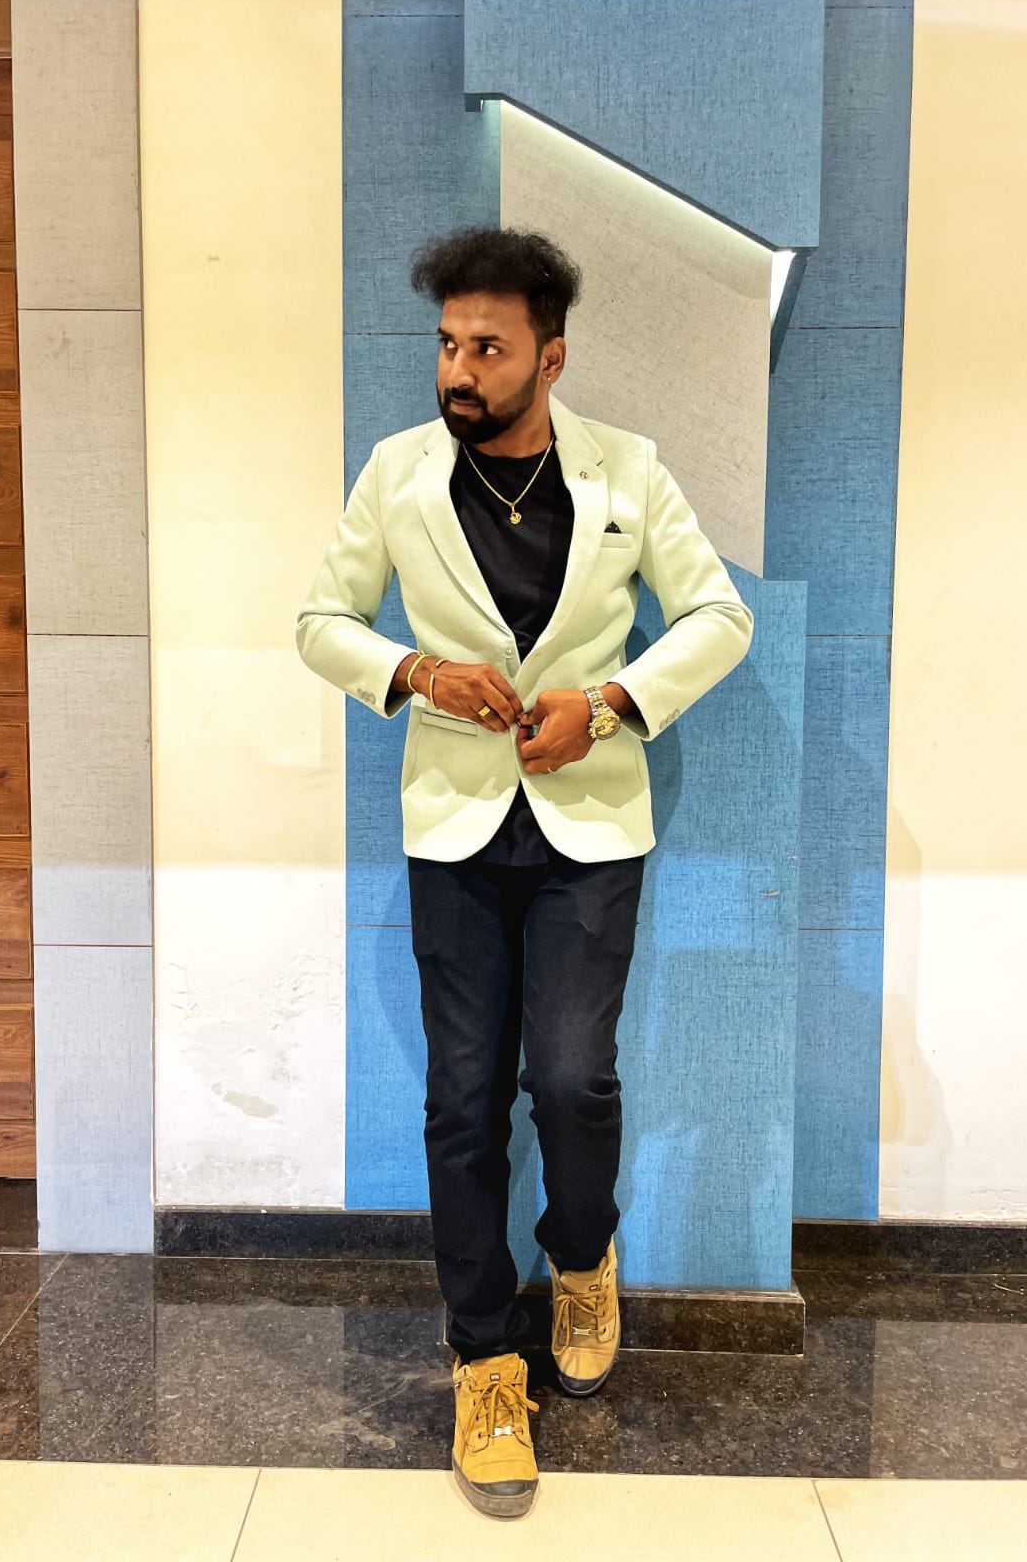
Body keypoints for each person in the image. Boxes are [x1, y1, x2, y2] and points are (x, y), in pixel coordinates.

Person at [295, 226, 754, 1519]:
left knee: (568, 1079)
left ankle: (581, 1257)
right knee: (460, 1100)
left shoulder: (627, 471)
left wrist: (606, 705)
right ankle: (485, 1363)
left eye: (487, 347)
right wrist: (414, 672)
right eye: (447, 343)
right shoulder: (396, 472)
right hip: (451, 825)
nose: (459, 368)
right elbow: (319, 621)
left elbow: (719, 616)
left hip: (586, 832)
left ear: (549, 358)